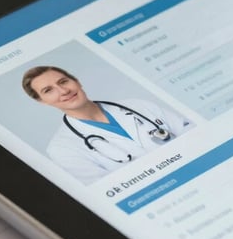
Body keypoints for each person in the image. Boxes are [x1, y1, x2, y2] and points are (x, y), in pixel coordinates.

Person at [22, 65, 191, 185]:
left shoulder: (137, 105)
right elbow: (106, 190)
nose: (63, 91)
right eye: (48, 90)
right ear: (41, 101)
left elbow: (191, 133)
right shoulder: (62, 148)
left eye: (63, 82)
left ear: (77, 81)